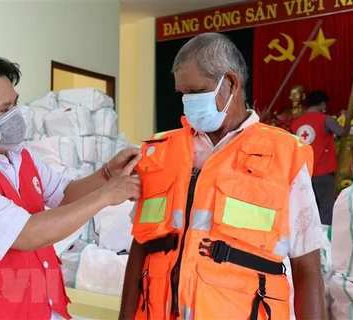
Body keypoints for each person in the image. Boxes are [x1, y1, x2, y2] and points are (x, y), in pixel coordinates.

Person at [120, 33, 326, 320]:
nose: (187, 102)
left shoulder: (284, 155)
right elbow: (142, 247)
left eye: (195, 91)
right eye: (182, 94)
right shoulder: (162, 153)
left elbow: (308, 270)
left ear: (229, 83)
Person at [0, 56, 141, 320]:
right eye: (4, 111)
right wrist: (106, 196)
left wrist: (106, 174)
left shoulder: (19, 156)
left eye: (16, 104)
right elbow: (27, 234)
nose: (16, 116)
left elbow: (65, 193)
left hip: (42, 308)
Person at [291, 90, 344, 226]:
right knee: (326, 208)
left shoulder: (296, 123)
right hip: (322, 172)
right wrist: (347, 119)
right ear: (321, 104)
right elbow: (342, 132)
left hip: (303, 174)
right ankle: (324, 241)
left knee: (306, 209)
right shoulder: (326, 119)